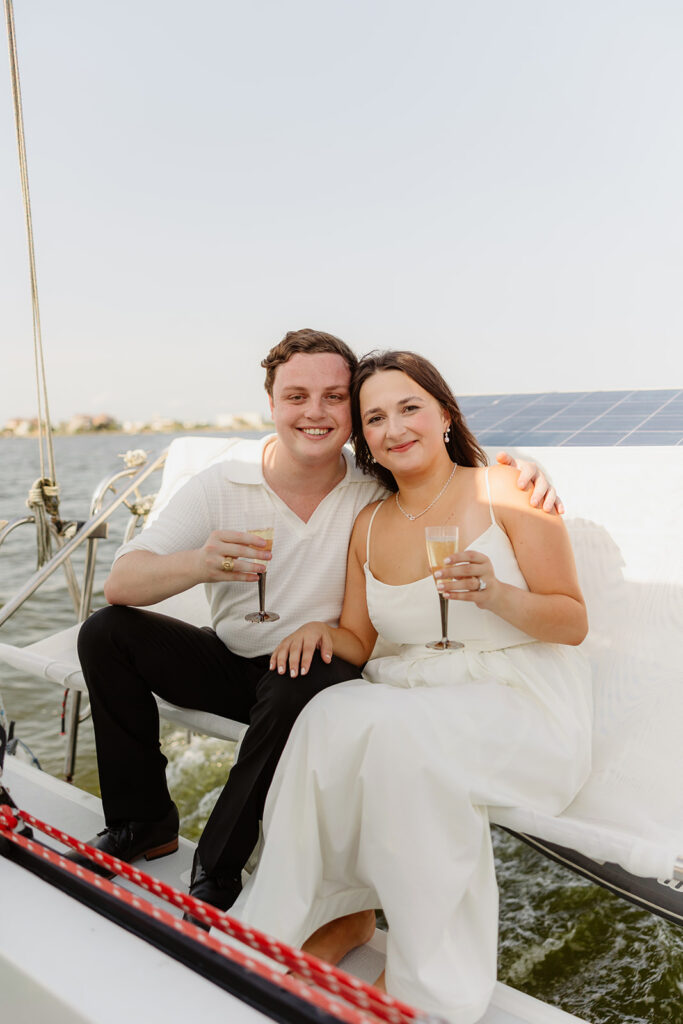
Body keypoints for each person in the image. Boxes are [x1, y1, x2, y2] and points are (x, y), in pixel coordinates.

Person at [70, 329, 560, 923]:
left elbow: (440, 474)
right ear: (272, 404)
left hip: (321, 669)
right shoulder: (221, 485)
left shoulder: (373, 488)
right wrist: (201, 561)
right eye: (297, 396)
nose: (315, 413)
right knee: (105, 632)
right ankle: (141, 821)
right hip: (234, 658)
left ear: (352, 416)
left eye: (334, 398)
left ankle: (218, 868)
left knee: (298, 679)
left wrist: (523, 466)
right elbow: (122, 583)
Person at [232, 350, 592, 1024]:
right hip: (421, 693)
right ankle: (330, 917)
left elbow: (569, 621)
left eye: (408, 408)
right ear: (363, 438)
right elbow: (358, 641)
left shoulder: (503, 488)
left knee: (402, 740)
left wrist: (496, 594)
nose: (393, 427)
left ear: (445, 414)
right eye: (374, 417)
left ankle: (427, 985)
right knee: (327, 711)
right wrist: (318, 633)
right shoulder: (368, 523)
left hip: (519, 698)